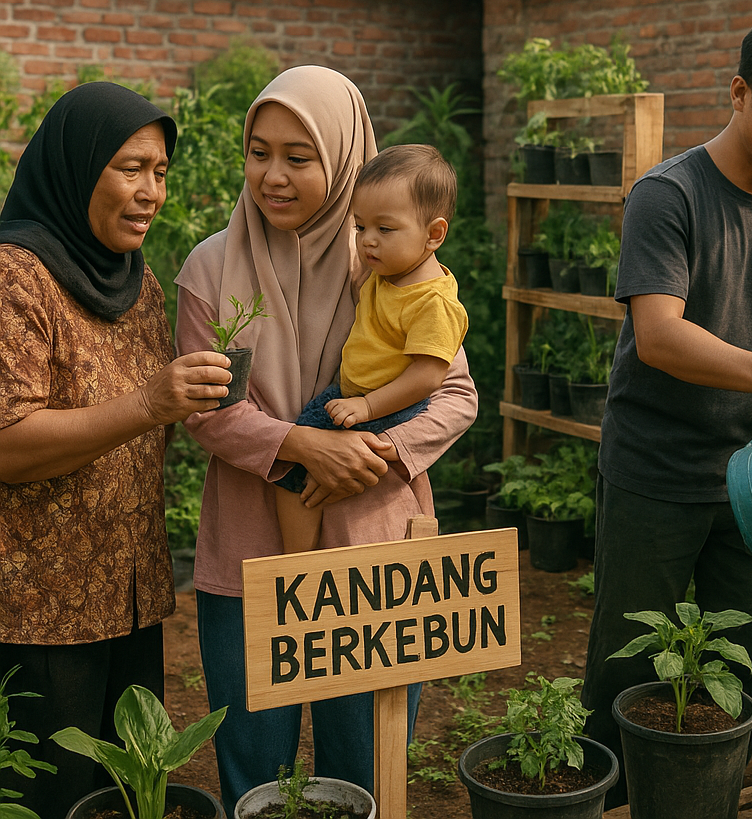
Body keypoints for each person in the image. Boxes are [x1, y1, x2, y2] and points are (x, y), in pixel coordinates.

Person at [174, 66, 477, 814]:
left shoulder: (384, 251)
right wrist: (304, 445)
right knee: (254, 762)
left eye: (299, 157)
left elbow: (455, 393)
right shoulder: (211, 267)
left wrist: (371, 453)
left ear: (342, 157)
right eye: (258, 151)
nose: (272, 176)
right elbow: (207, 410)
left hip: (373, 555)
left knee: (369, 761)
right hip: (250, 546)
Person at [580, 15, 752, 808]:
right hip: (656, 471)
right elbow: (659, 336)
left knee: (741, 660)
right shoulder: (669, 194)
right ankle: (616, 800)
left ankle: (705, 797)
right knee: (630, 666)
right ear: (739, 92)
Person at [0, 82, 232, 818]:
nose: (151, 191)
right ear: (77, 167)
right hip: (38, 607)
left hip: (130, 593)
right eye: (131, 167)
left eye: (161, 171)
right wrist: (149, 403)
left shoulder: (141, 287)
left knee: (132, 796)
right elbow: (7, 443)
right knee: (51, 797)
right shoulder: (16, 278)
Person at [276, 142, 469, 554]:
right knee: (292, 465)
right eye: (360, 227)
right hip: (352, 397)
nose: (367, 242)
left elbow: (428, 377)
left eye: (385, 229)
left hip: (386, 405)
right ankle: (297, 564)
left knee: (304, 472)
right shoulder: (388, 275)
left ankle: (298, 567)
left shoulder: (433, 302)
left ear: (434, 234)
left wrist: (368, 407)